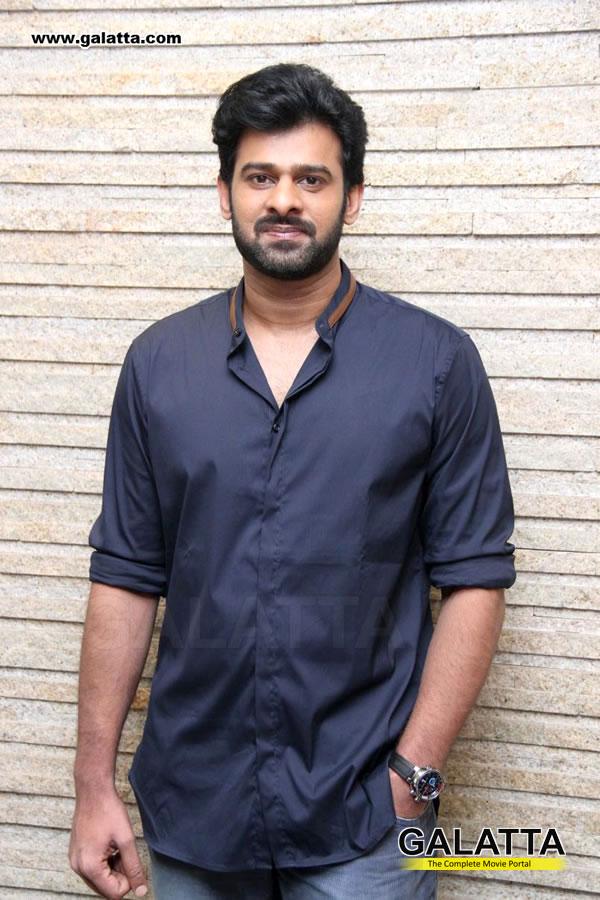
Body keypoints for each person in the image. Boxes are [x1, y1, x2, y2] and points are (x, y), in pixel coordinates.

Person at [68, 63, 517, 900]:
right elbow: (126, 576)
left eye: (311, 178)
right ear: (224, 193)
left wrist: (413, 777)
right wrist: (92, 783)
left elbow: (476, 580)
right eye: (259, 177)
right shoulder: (159, 365)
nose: (283, 200)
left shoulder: (435, 363)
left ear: (352, 197)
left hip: (365, 823)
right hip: (194, 811)